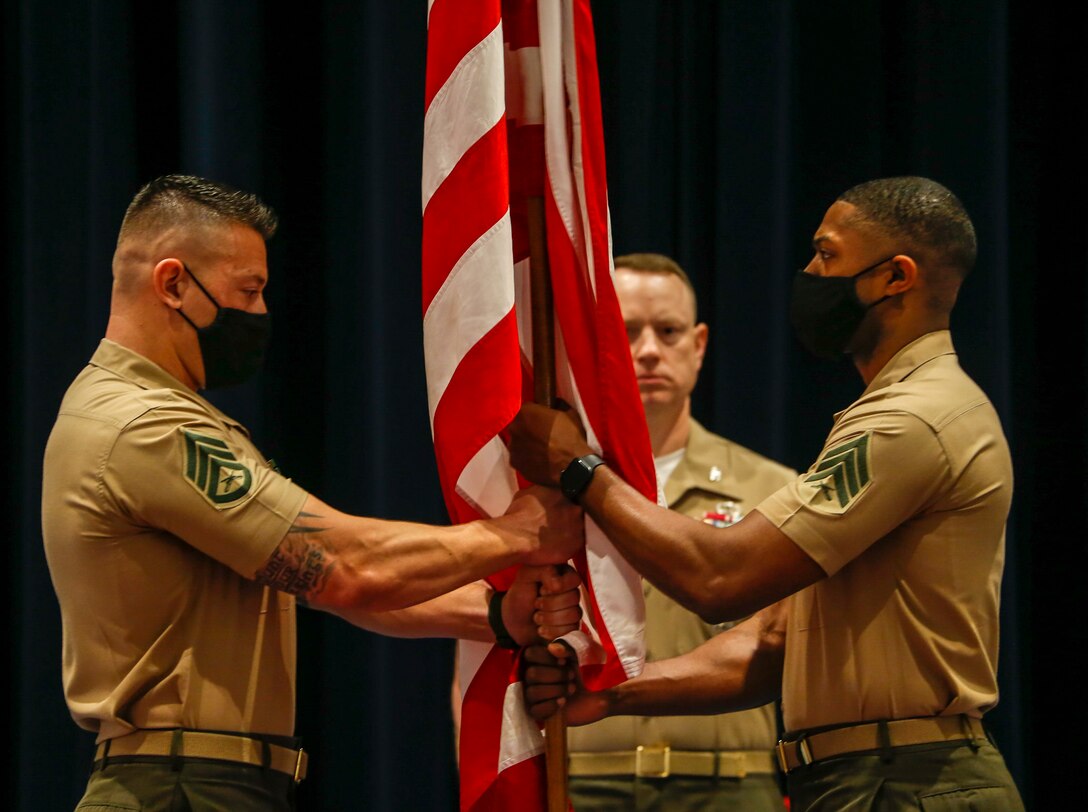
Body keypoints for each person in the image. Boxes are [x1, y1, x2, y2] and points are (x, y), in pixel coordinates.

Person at [41, 174, 584, 811]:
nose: (261, 314)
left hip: (204, 784)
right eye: (249, 290)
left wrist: (493, 615)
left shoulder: (156, 416)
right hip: (180, 789)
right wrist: (516, 533)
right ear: (173, 283)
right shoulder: (145, 428)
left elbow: (299, 574)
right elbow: (343, 568)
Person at [512, 177, 1025, 810]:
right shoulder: (895, 413)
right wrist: (614, 691)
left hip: (908, 780)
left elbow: (721, 576)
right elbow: (775, 640)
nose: (809, 273)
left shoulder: (912, 419)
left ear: (896, 277)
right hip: (869, 778)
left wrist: (577, 469)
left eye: (827, 255)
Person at [565, 253, 794, 811]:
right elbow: (479, 657)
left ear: (699, 345)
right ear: (598, 345)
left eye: (667, 332)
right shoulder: (549, 493)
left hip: (733, 788)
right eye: (627, 333)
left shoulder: (776, 490)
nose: (648, 351)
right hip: (579, 784)